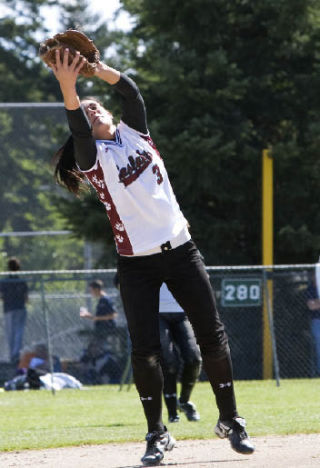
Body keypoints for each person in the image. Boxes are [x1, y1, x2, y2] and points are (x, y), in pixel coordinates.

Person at [49, 47, 254, 466]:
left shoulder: (135, 134)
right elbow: (79, 127)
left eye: (95, 105)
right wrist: (68, 88)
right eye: (85, 112)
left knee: (212, 336)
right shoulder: (94, 159)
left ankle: (230, 420)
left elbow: (133, 94)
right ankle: (158, 434)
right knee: (145, 350)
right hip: (137, 263)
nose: (92, 110)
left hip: (181, 250)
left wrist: (98, 70)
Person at [159, 283, 202, 423]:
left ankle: (184, 401)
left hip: (181, 312)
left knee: (194, 358)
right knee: (169, 361)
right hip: (156, 313)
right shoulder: (144, 259)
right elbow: (120, 281)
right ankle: (172, 413)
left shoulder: (182, 259)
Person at [79, 279, 118, 383]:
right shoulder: (101, 300)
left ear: (97, 289)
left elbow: (113, 314)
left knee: (98, 350)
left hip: (106, 331)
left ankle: (102, 374)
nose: (90, 292)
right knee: (90, 350)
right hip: (100, 331)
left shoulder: (106, 299)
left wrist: (92, 317)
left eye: (91, 290)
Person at [0, 257, 28, 365]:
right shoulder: (21, 281)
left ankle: (14, 354)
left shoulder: (5, 281)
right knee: (18, 332)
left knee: (11, 333)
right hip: (20, 308)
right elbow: (26, 297)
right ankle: (15, 354)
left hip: (9, 309)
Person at [306, 272, 320, 376]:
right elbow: (312, 306)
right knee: (318, 345)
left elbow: (315, 304)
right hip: (317, 321)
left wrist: (317, 302)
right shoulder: (311, 289)